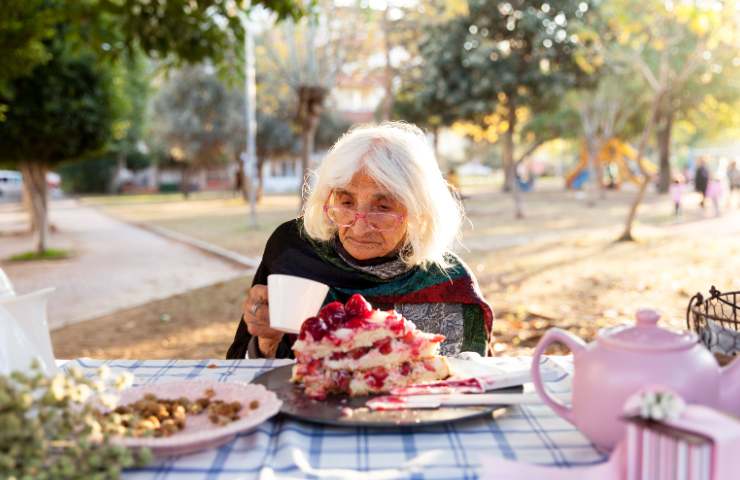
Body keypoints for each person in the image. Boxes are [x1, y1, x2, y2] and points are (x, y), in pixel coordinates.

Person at [226, 122, 493, 360]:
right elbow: (242, 372)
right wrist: (266, 343)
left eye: (383, 207)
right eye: (346, 202)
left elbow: (460, 386)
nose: (360, 226)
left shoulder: (447, 285)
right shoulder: (293, 251)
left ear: (419, 211)